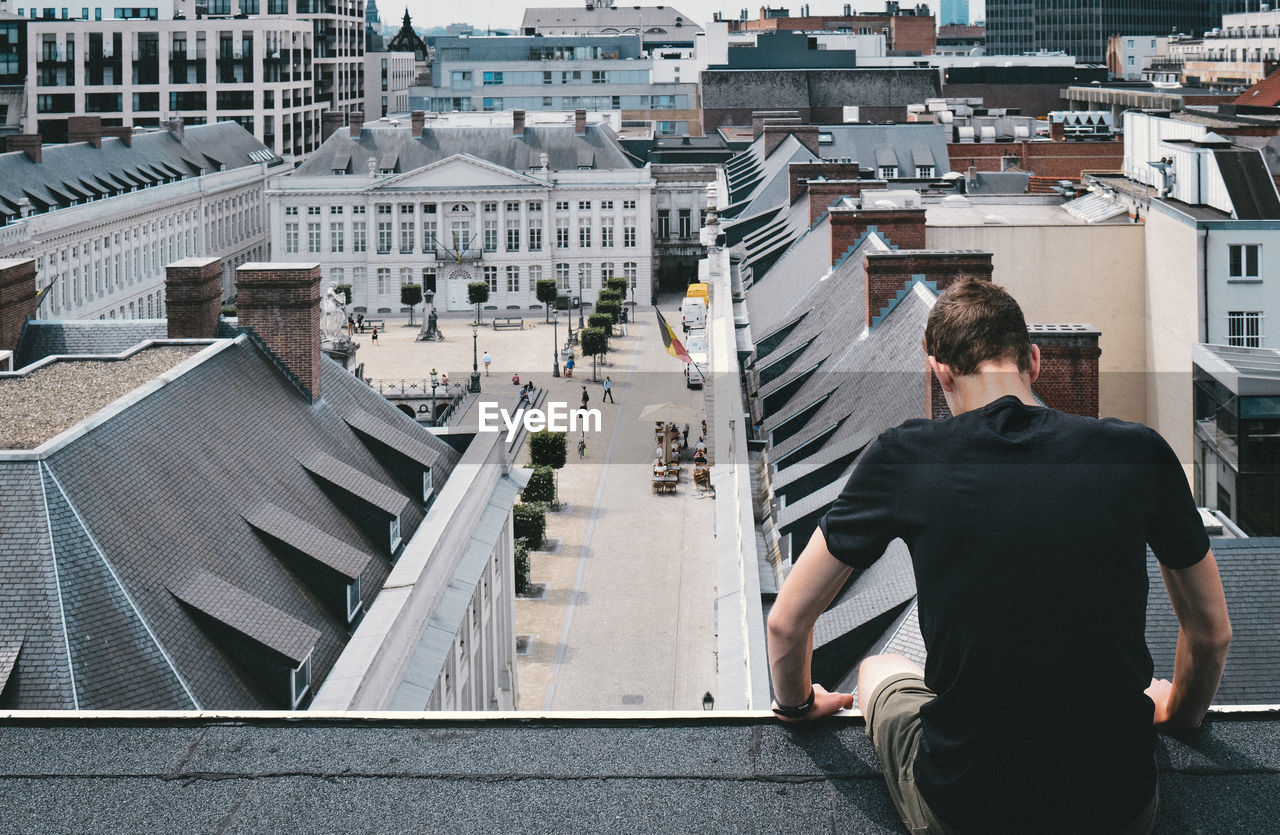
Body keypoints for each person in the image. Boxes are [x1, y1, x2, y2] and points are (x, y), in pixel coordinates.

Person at [766, 278, 1231, 835]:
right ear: (1033, 360)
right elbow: (1210, 633)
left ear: (939, 373)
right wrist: (1178, 713)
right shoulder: (1139, 452)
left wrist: (797, 706)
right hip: (1116, 806)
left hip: (967, 808)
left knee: (880, 668)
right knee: (1142, 690)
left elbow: (788, 625)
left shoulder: (903, 458)